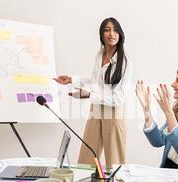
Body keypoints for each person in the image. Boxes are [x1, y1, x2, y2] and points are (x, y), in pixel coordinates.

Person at [53, 18, 132, 167]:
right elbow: (95, 81)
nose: (111, 34)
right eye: (107, 30)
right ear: (101, 34)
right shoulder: (99, 54)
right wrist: (72, 80)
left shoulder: (126, 62)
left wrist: (89, 95)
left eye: (115, 30)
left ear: (120, 34)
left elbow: (118, 99)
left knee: (114, 164)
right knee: (87, 157)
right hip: (96, 107)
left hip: (114, 112)